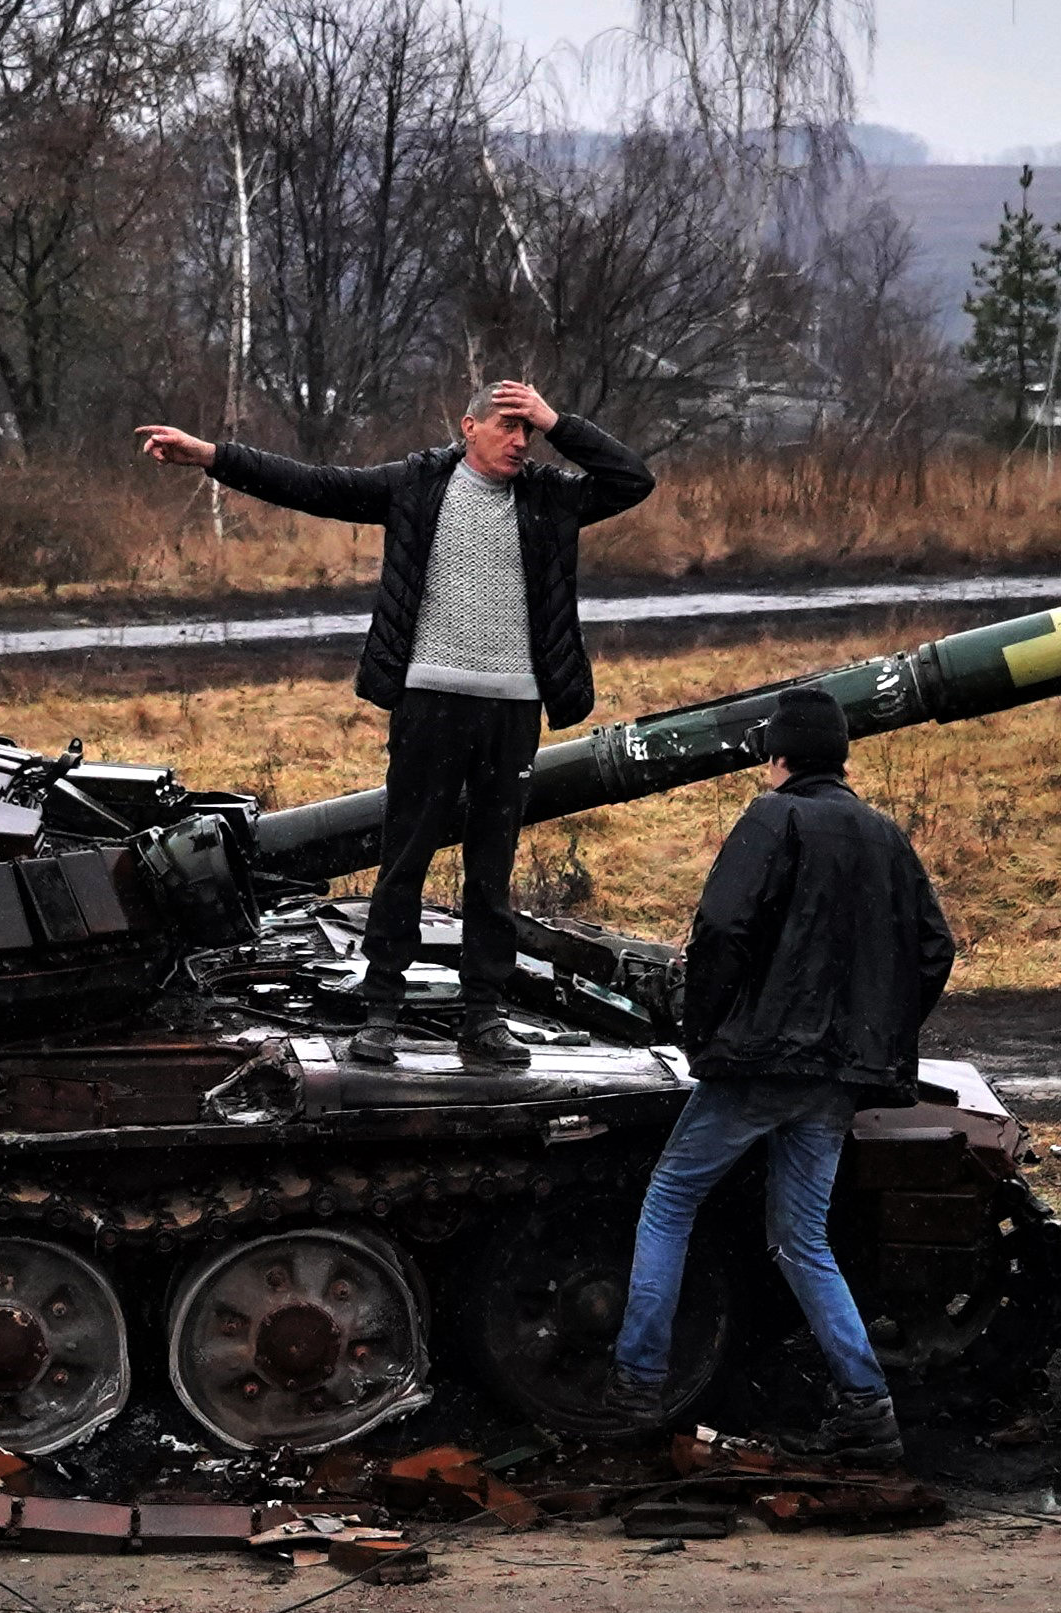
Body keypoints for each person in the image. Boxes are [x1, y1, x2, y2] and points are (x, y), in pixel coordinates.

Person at [136, 376, 655, 1069]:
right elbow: (312, 485)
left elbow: (633, 479)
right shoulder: (416, 486)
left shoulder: (548, 497)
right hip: (430, 702)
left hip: (512, 710)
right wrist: (212, 456)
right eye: (507, 426)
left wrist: (556, 419)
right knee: (403, 859)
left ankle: (484, 1016)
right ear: (468, 429)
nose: (519, 441)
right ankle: (381, 1009)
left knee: (491, 871)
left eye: (526, 430)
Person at [606, 683, 956, 1466]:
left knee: (669, 1200)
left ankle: (636, 1383)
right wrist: (876, 1033)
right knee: (802, 1239)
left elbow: (723, 928)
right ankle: (868, 1407)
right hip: (834, 1080)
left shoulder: (773, 817)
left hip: (758, 1064)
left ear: (778, 754)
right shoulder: (885, 835)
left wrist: (708, 1029)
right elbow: (935, 950)